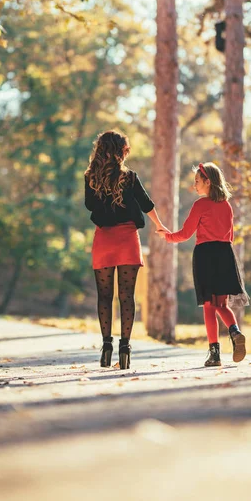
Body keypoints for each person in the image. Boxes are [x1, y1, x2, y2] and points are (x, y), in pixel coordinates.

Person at [85, 130, 168, 370]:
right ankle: (125, 348)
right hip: (128, 239)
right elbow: (146, 204)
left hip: (104, 239)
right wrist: (160, 226)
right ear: (121, 151)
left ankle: (106, 346)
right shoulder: (130, 177)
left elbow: (89, 205)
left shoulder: (90, 176)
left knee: (104, 296)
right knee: (126, 297)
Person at [157, 162, 249, 367]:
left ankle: (214, 354)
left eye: (197, 181)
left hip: (206, 256)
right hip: (225, 255)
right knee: (221, 304)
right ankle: (235, 331)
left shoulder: (200, 205)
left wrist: (168, 237)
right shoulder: (226, 205)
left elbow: (186, 233)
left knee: (208, 306)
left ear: (208, 182)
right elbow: (230, 236)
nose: (195, 185)